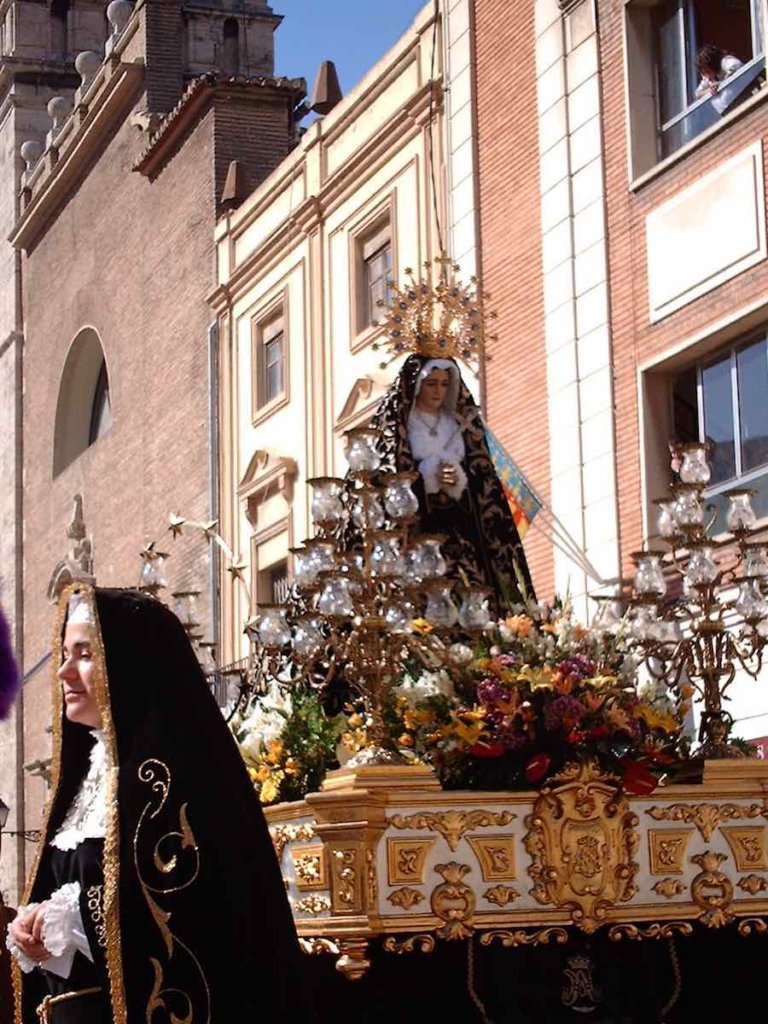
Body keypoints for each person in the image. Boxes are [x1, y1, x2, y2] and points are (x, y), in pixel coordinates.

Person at [7, 584, 307, 1023]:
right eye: (65, 654)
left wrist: (73, 919)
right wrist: (30, 925)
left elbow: (196, 903)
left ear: (128, 665)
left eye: (84, 655)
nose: (64, 672)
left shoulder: (173, 777)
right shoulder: (81, 781)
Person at [370, 353, 534, 608]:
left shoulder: (458, 424)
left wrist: (459, 481)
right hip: (418, 531)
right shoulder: (402, 425)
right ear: (416, 385)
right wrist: (427, 480)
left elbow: (482, 480)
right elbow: (388, 477)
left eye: (444, 384)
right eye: (431, 383)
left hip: (459, 526)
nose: (438, 391)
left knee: (471, 592)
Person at [695, 44, 744, 115]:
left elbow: (736, 66)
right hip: (727, 112)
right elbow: (698, 94)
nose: (707, 76)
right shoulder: (707, 77)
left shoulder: (726, 61)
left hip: (742, 99)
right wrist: (709, 91)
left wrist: (719, 84)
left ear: (712, 64)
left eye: (708, 71)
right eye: (704, 73)